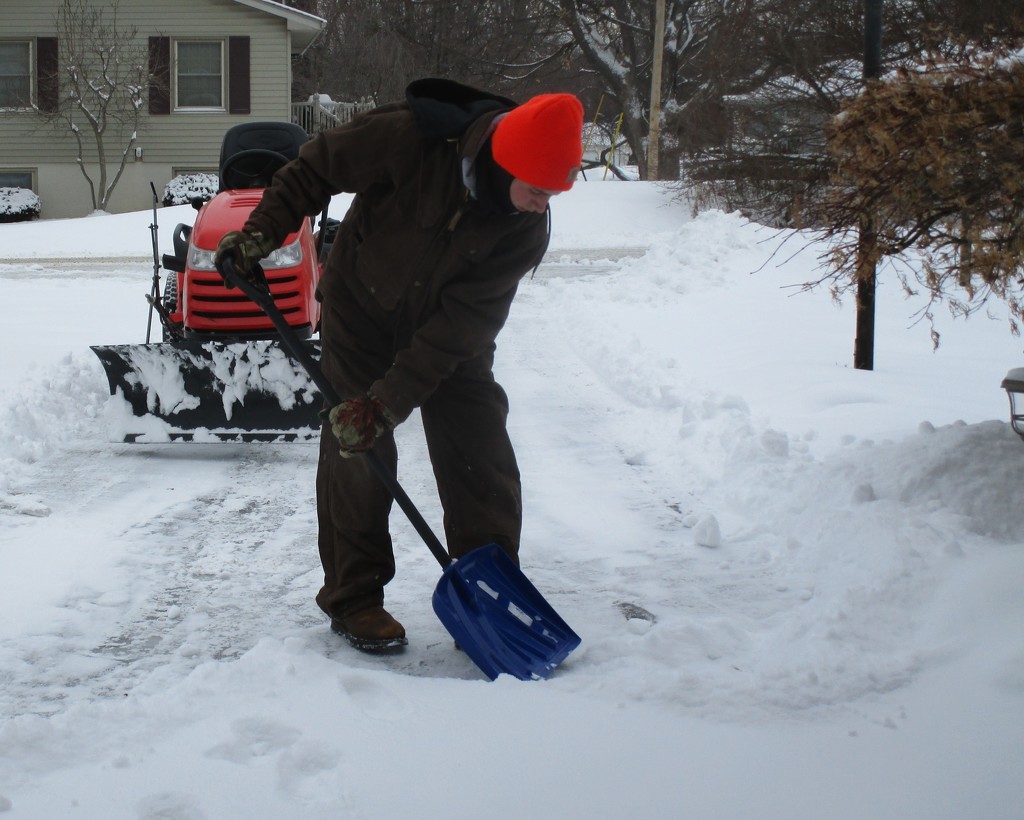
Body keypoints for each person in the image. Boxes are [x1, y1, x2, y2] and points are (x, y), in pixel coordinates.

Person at [214, 78, 584, 652]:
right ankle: (354, 599)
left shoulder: (523, 228)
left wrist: (386, 404)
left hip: (446, 340)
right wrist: (263, 229)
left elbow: (459, 328)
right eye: (537, 189)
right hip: (361, 311)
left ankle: (489, 591)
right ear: (504, 162)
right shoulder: (412, 136)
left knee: (478, 443)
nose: (543, 203)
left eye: (552, 193)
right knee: (355, 450)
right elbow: (315, 167)